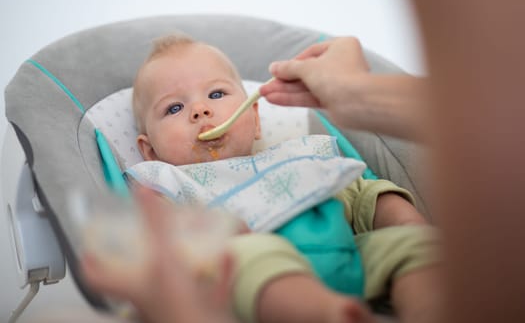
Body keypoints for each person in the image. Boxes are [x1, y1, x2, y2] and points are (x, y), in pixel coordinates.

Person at [116, 34, 439, 323]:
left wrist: (403, 221)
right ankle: (327, 313)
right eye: (173, 108)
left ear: (255, 120)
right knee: (247, 256)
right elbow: (161, 241)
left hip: (351, 254)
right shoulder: (168, 182)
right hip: (255, 277)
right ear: (150, 152)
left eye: (216, 94)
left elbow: (361, 193)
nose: (200, 110)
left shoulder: (299, 155)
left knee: (411, 246)